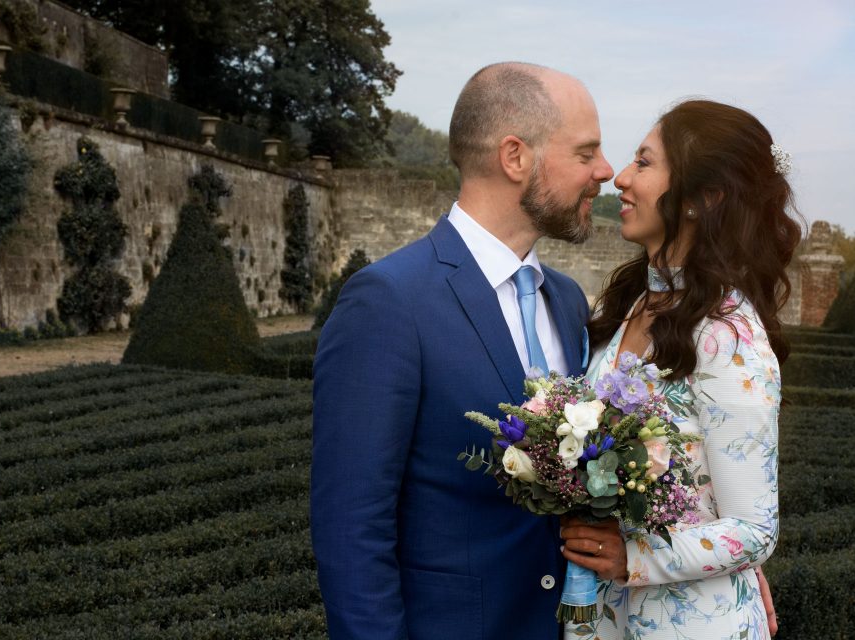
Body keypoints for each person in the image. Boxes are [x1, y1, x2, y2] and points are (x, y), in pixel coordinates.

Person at [311, 62, 613, 639]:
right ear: (515, 157)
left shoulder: (569, 300)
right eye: (585, 153)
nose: (605, 171)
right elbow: (351, 530)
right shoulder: (389, 301)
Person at [560, 99, 800, 639]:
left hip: (689, 624)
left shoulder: (726, 335)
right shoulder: (618, 309)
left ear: (702, 199)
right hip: (600, 616)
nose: (620, 178)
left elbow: (756, 529)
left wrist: (634, 558)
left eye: (644, 163)